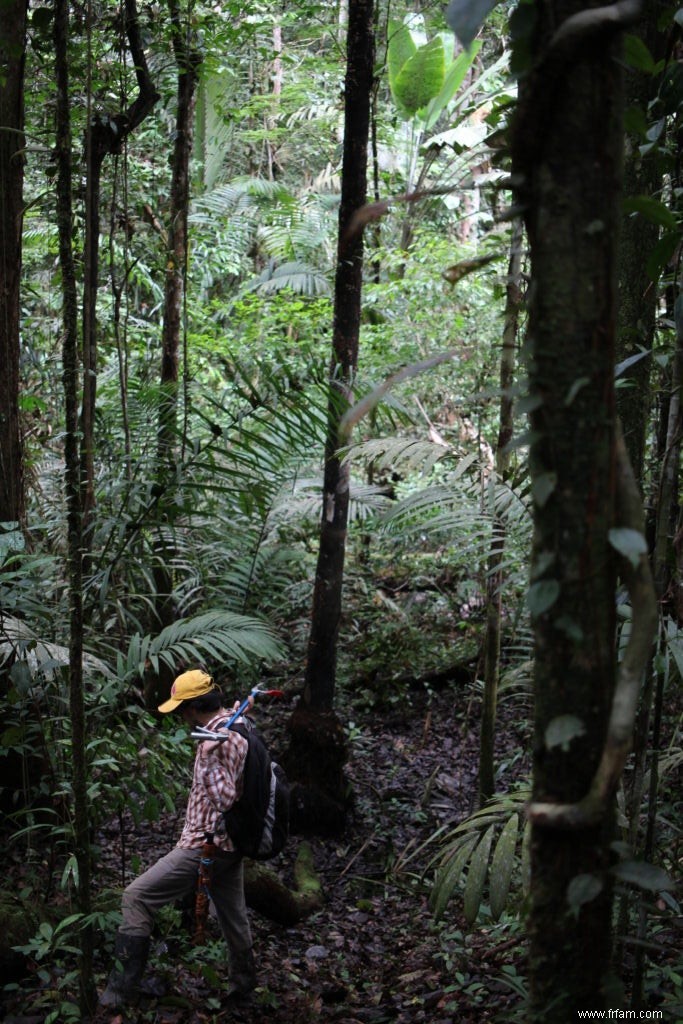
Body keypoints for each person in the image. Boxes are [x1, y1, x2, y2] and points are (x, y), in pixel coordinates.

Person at [99, 668, 256, 1009]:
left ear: (195, 706)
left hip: (207, 845)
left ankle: (117, 997)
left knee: (136, 896)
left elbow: (227, 799)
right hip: (230, 845)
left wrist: (209, 766)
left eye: (183, 709)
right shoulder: (230, 723)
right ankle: (244, 990)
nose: (182, 717)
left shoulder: (219, 742)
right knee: (233, 915)